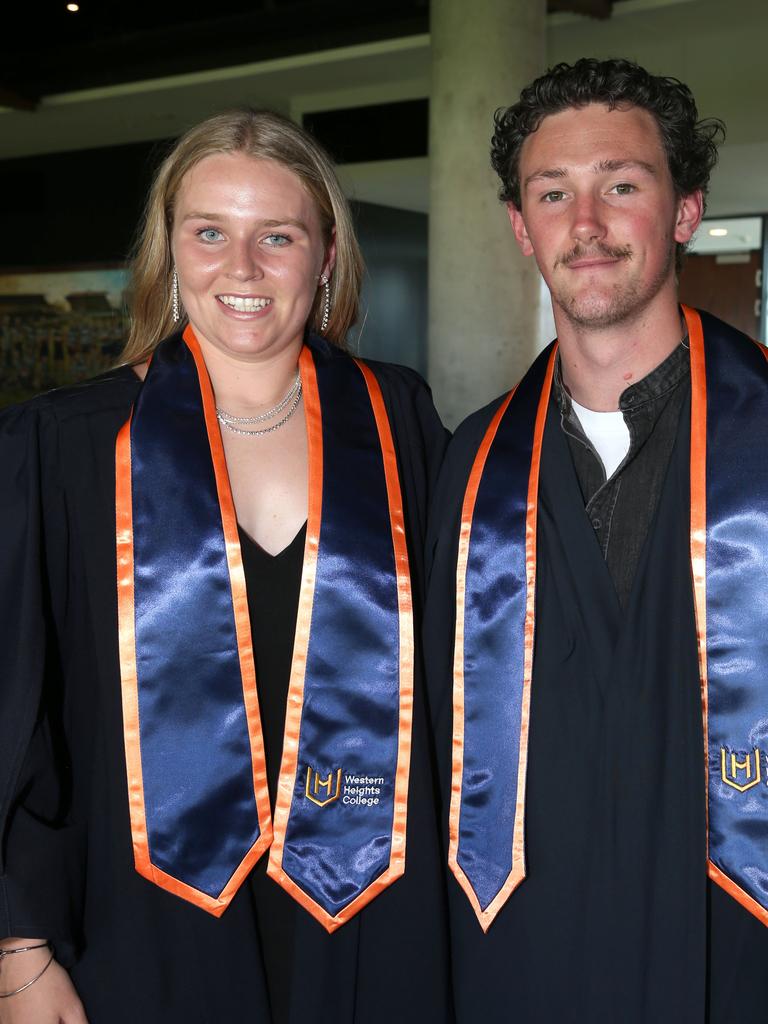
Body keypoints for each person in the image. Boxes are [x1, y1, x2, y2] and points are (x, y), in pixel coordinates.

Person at [0, 108, 452, 1024]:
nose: (240, 269)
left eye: (276, 236)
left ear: (325, 256)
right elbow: (16, 712)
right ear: (170, 251)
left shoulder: (398, 422)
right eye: (210, 232)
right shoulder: (66, 447)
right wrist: (19, 950)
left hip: (374, 914)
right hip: (147, 922)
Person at [425, 57, 768, 1022]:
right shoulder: (467, 469)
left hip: (735, 954)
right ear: (519, 228)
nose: (586, 224)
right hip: (524, 963)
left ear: (687, 209)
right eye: (553, 193)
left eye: (621, 184)